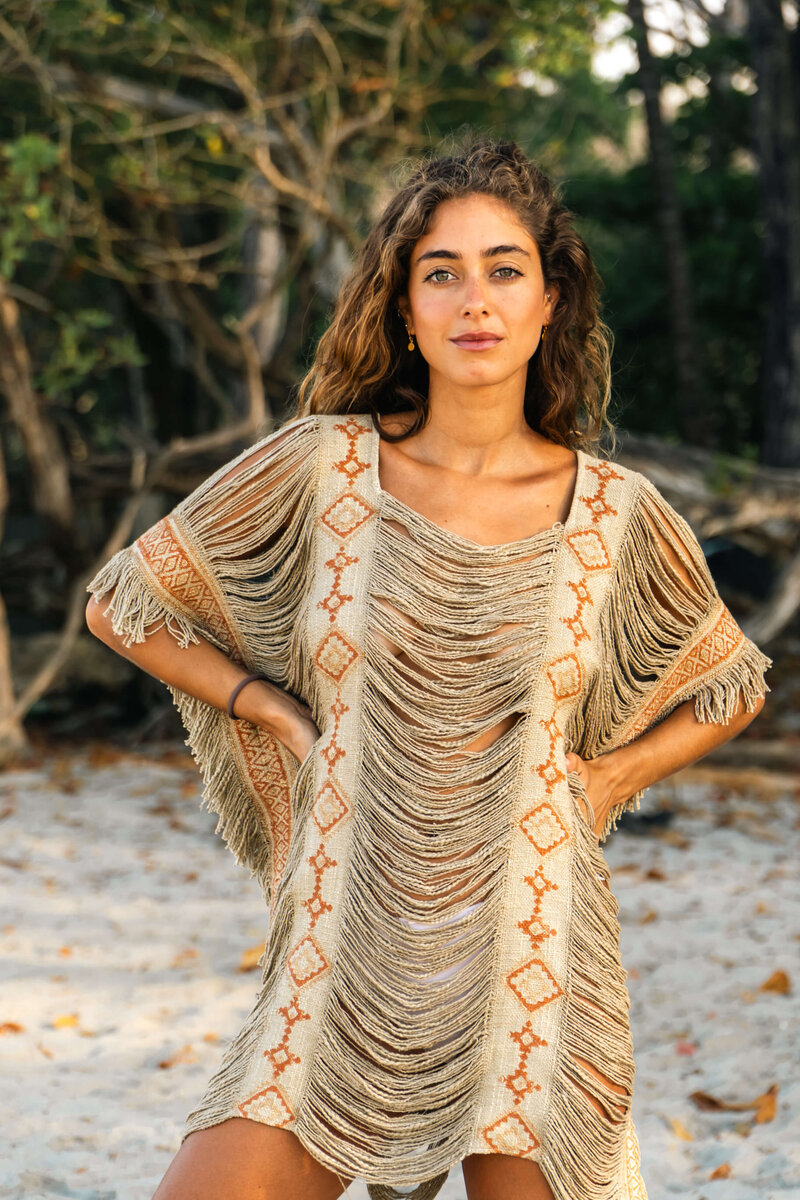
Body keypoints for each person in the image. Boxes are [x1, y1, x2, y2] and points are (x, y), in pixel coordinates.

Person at [85, 135, 771, 1200]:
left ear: (550, 301)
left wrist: (605, 780)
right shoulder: (323, 468)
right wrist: (270, 708)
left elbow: (728, 680)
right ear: (403, 307)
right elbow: (125, 602)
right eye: (438, 272)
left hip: (528, 935)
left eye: (504, 269)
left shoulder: (613, 514)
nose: (473, 300)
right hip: (343, 932)